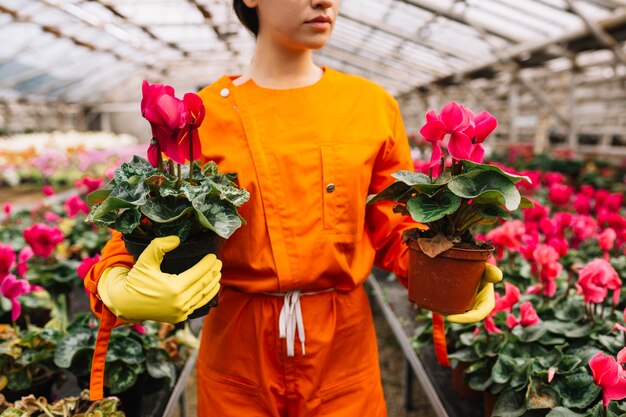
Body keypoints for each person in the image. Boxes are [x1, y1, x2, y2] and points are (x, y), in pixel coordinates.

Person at [84, 0, 502, 415]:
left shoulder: (370, 106)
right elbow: (144, 226)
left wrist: (453, 268)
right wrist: (115, 282)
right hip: (238, 350)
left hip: (342, 345)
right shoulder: (203, 115)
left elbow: (395, 227)